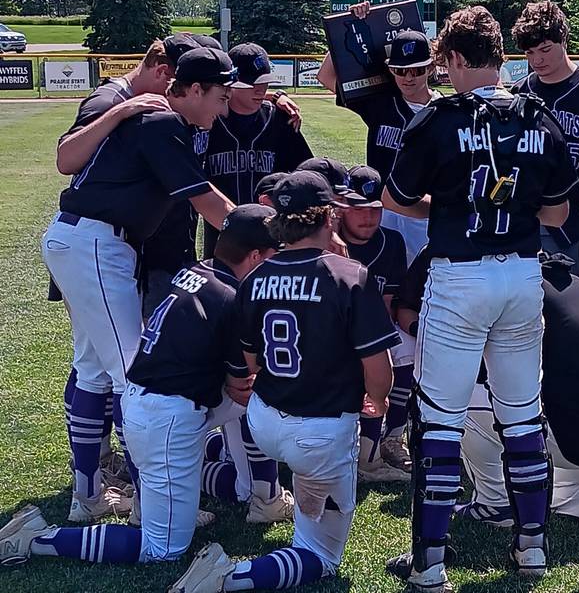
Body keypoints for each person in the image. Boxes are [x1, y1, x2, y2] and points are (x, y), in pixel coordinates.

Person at [380, 6, 575, 591]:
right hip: (520, 274)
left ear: (459, 59)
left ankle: (431, 561)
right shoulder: (538, 113)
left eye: (446, 63)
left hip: (460, 276)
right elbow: (559, 211)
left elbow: (394, 198)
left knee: (440, 418)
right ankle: (532, 547)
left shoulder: (438, 118)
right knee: (521, 415)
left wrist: (448, 210)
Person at [0, 204, 277, 567]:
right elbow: (242, 383)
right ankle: (37, 538)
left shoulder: (201, 271)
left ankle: (254, 491)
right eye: (274, 254)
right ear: (256, 255)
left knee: (252, 404)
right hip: (166, 418)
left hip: (154, 404)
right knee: (162, 551)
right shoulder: (230, 296)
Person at [167, 170, 400, 593]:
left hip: (265, 423)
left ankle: (243, 480)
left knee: (294, 459)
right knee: (320, 557)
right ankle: (229, 577)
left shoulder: (255, 277)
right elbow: (378, 364)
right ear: (329, 216)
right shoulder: (349, 275)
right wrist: (379, 401)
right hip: (320, 431)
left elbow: (251, 359)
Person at [40, 47, 240, 522]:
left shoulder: (163, 119)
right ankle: (154, 503)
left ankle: (87, 498)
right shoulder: (164, 123)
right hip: (95, 242)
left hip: (89, 240)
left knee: (93, 370)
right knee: (137, 379)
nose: (224, 107)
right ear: (193, 90)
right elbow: (206, 202)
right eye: (220, 96)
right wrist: (270, 238)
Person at [397, 248, 579, 538]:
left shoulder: (513, 299)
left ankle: (494, 503)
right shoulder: (574, 282)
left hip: (570, 439)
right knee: (544, 484)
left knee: (453, 397)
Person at [317, 2, 440, 263]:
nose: (409, 77)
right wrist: (346, 27)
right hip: (383, 211)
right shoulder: (382, 104)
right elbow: (326, 76)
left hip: (426, 212)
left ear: (431, 68)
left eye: (417, 70)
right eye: (400, 70)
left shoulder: (444, 111)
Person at [510, 0, 579, 267]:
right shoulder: (519, 93)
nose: (537, 60)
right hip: (532, 217)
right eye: (530, 53)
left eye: (545, 49)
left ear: (563, 40)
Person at [202, 42, 314, 258]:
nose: (260, 90)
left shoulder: (280, 119)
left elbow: (303, 175)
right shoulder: (208, 120)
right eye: (252, 84)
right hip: (220, 234)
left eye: (264, 83)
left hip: (271, 235)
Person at [338, 165, 411, 480]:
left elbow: (387, 303)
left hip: (372, 327)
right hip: (331, 329)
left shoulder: (391, 242)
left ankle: (389, 439)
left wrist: (374, 340)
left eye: (375, 209)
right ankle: (364, 452)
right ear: (340, 208)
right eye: (358, 208)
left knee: (406, 349)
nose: (367, 217)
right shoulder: (327, 239)